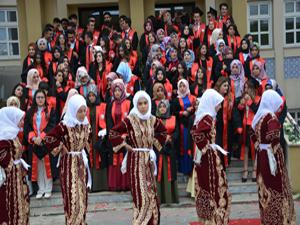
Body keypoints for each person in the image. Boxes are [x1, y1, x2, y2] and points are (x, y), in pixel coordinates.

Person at [109, 91, 167, 225]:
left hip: (149, 161)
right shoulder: (130, 119)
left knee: (152, 195)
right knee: (141, 196)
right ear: (136, 104)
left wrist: (154, 143)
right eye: (140, 104)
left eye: (145, 103)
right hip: (135, 161)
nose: (143, 106)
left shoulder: (152, 119)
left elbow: (163, 132)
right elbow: (113, 132)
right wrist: (125, 144)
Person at [42, 94, 91, 224]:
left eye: (84, 111)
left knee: (82, 195)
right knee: (71, 195)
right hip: (68, 164)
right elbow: (48, 138)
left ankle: (81, 221)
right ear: (73, 110)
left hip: (81, 163)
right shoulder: (64, 125)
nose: (82, 114)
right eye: (79, 111)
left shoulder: (85, 125)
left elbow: (88, 141)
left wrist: (83, 151)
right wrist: (61, 146)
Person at [251, 90, 296, 225]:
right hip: (271, 158)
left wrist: (259, 144)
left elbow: (252, 134)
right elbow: (275, 138)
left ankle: (267, 218)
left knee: (265, 187)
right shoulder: (271, 118)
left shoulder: (259, 118)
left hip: (262, 157)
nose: (278, 107)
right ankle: (278, 219)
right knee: (275, 186)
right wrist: (276, 150)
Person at [191, 89, 231, 225]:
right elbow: (196, 134)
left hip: (207, 156)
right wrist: (205, 148)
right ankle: (215, 218)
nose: (219, 106)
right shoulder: (207, 117)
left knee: (208, 185)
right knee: (214, 185)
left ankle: (211, 218)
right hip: (208, 158)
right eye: (218, 103)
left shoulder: (206, 116)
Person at [24, 89, 57, 199]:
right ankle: (40, 189)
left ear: (45, 98)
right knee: (37, 166)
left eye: (42, 97)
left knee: (47, 166)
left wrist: (41, 137)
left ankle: (48, 188)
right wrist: (34, 138)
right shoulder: (30, 112)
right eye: (38, 97)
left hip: (46, 142)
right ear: (35, 99)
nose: (40, 99)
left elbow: (52, 125)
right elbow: (27, 127)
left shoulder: (50, 110)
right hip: (34, 143)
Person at [0, 106, 30, 225]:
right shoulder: (4, 136)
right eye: (20, 120)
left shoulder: (13, 134)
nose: (22, 122)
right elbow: (3, 157)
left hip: (17, 176)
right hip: (9, 179)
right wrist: (13, 166)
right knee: (10, 207)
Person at [106, 79, 131, 191]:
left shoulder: (128, 103)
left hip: (125, 136)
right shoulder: (110, 104)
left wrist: (125, 134)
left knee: (124, 156)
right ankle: (115, 184)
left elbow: (130, 120)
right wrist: (114, 135)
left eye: (119, 90)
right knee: (114, 157)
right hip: (114, 135)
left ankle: (125, 184)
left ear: (122, 91)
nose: (117, 93)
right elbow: (109, 121)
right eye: (115, 90)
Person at [155, 100, 179, 204]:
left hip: (170, 149)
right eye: (160, 107)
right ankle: (160, 198)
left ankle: (170, 198)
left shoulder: (173, 119)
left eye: (164, 107)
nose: (162, 109)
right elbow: (152, 133)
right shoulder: (154, 120)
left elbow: (177, 132)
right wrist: (161, 138)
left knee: (170, 172)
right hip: (159, 149)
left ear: (167, 108)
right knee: (159, 172)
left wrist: (170, 138)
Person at [173, 79, 196, 175]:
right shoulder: (176, 99)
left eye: (184, 86)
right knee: (184, 145)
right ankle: (183, 168)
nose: (182, 88)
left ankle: (191, 167)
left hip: (191, 124)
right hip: (181, 125)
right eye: (180, 86)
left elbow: (197, 108)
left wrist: (192, 109)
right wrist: (183, 112)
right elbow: (174, 112)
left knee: (190, 144)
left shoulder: (193, 98)